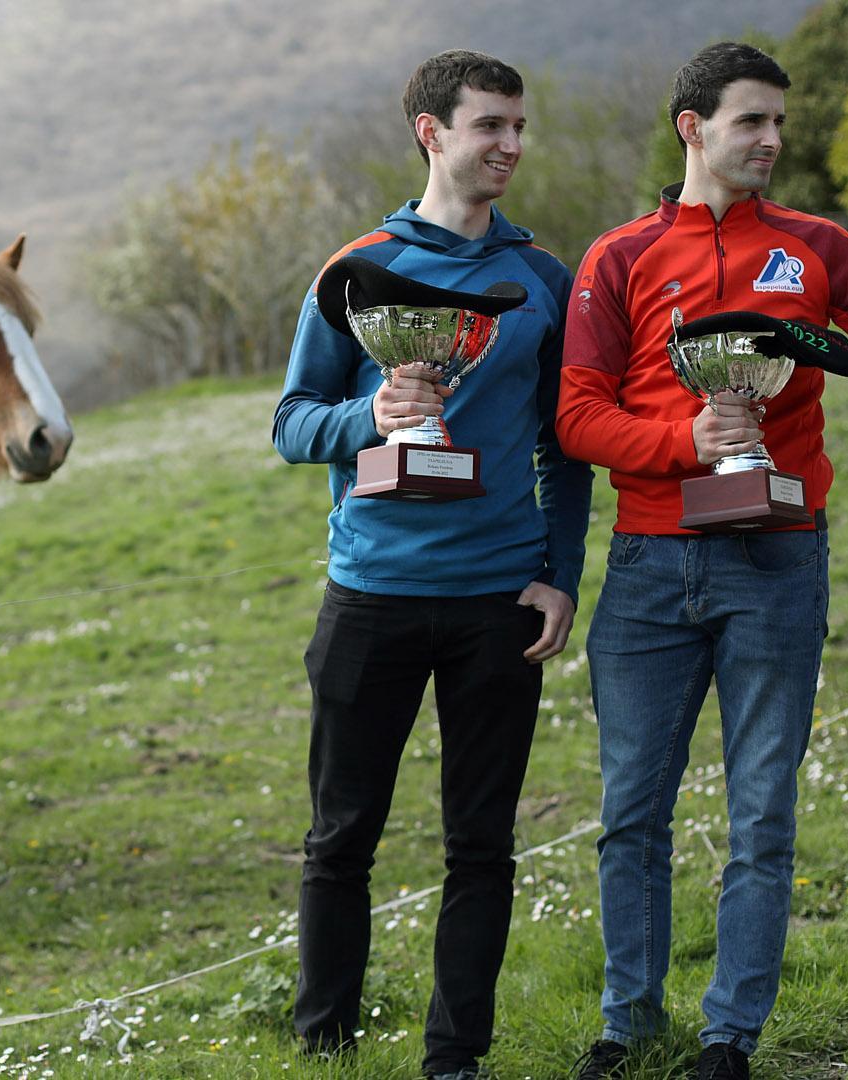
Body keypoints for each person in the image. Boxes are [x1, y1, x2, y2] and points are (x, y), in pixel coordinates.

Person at [556, 42, 848, 1080]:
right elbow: (576, 417)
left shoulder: (816, 247)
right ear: (693, 127)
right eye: (750, 121)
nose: (770, 140)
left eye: (778, 123)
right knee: (631, 816)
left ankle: (731, 1038)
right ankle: (627, 1026)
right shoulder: (618, 257)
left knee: (761, 811)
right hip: (649, 568)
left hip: (779, 562)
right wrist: (686, 443)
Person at [272, 49, 593, 1080]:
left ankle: (456, 1059)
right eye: (490, 125)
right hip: (369, 596)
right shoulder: (353, 271)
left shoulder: (543, 280)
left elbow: (567, 448)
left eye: (519, 127)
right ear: (432, 132)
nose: (510, 145)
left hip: (498, 603)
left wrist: (561, 574)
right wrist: (372, 415)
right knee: (340, 841)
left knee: (482, 848)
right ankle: (323, 1044)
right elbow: (289, 424)